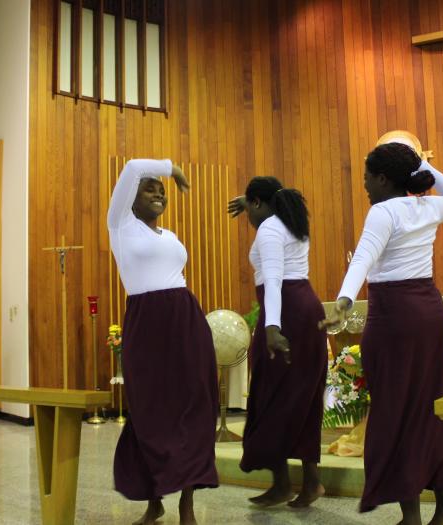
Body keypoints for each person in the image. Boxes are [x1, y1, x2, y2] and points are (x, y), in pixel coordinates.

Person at [321, 141, 443, 525]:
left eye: (368, 177)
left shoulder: (382, 211)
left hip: (395, 316)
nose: (365, 185)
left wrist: (344, 301)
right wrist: (422, 165)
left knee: (395, 409)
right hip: (430, 312)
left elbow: (364, 256)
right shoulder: (430, 205)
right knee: (433, 406)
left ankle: (411, 515)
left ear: (384, 179)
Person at [108, 159, 218, 525]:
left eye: (162, 190)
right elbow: (132, 166)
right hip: (146, 323)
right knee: (148, 410)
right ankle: (153, 500)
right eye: (149, 188)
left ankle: (187, 504)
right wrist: (173, 170)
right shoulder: (120, 225)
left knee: (194, 407)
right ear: (131, 198)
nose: (158, 192)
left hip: (185, 320)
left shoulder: (170, 237)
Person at [227, 177, 327, 508]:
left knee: (272, 396)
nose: (247, 218)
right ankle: (310, 483)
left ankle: (283, 484)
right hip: (305, 308)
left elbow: (272, 279)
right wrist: (249, 200)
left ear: (258, 204)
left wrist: (271, 327)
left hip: (286, 312)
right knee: (301, 398)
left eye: (250, 208)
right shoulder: (290, 221)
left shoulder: (269, 229)